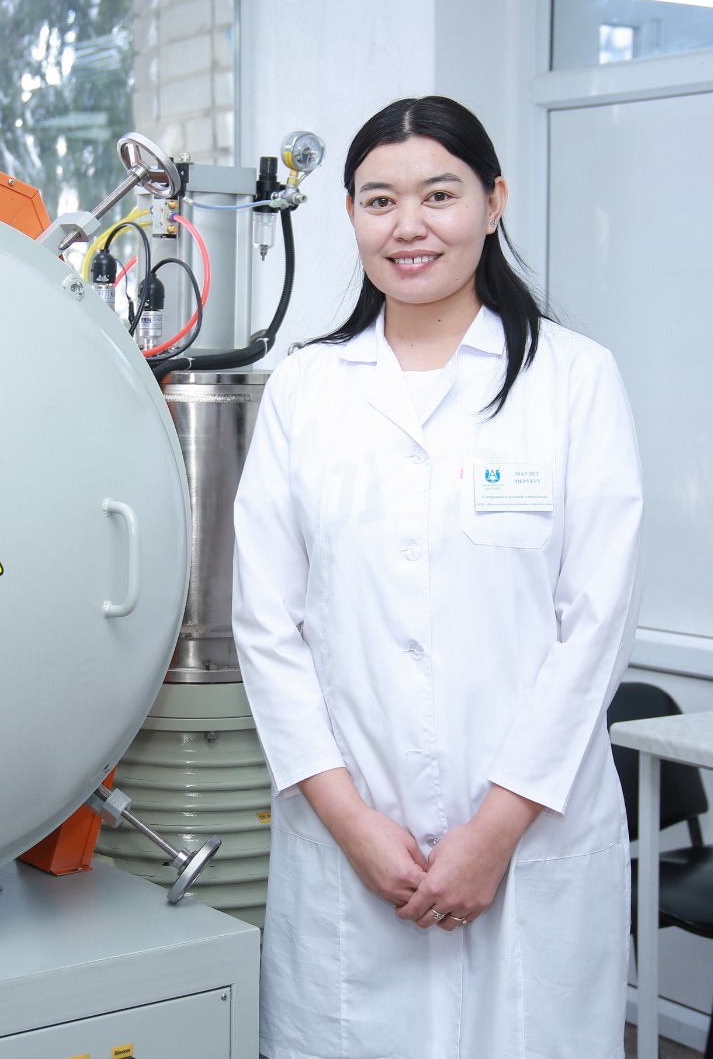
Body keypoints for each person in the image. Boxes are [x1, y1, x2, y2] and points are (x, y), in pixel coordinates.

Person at [232, 95, 643, 1058]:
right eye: (379, 201)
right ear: (351, 216)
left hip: (530, 837)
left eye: (440, 195)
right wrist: (350, 822)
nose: (408, 226)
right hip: (352, 844)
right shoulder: (306, 388)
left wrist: (494, 832)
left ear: (494, 203)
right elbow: (267, 625)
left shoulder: (573, 380)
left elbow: (597, 624)